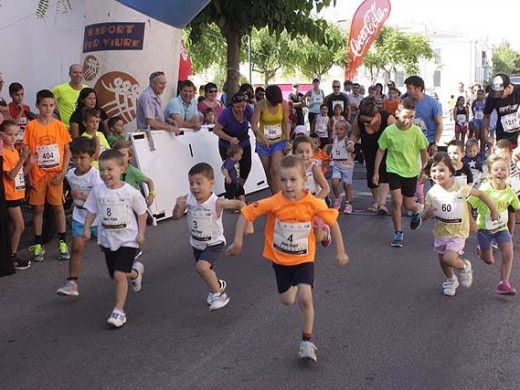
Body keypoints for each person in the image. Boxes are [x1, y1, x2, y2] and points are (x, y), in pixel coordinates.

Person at [226, 155, 349, 362]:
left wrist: (341, 251)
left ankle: (306, 342)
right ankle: (297, 286)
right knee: (287, 300)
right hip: (281, 260)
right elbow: (246, 213)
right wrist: (238, 241)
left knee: (305, 297)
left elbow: (334, 222)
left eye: (293, 180)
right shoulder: (274, 202)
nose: (288, 185)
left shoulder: (313, 203)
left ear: (303, 178)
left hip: (304, 258)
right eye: (283, 180)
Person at [83, 150, 147, 328]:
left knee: (119, 274)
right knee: (116, 274)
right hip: (107, 239)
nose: (105, 174)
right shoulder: (97, 191)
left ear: (122, 168)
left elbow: (142, 212)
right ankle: (136, 273)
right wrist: (87, 228)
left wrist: (141, 233)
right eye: (102, 170)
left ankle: (119, 311)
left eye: (109, 169)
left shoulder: (130, 192)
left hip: (128, 239)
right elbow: (92, 210)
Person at [172, 162, 249, 311]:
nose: (194, 187)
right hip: (197, 243)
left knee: (202, 267)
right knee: (206, 271)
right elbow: (176, 216)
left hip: (214, 243)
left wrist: (249, 224)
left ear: (211, 183)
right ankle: (217, 285)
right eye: (191, 183)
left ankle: (219, 294)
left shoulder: (217, 202)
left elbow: (241, 205)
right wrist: (178, 206)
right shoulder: (188, 199)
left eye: (199, 183)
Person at [422, 152, 499, 297]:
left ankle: (464, 267)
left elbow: (481, 195)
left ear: (450, 171)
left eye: (441, 170)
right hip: (441, 232)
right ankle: (451, 280)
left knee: (449, 258)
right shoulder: (431, 193)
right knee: (443, 262)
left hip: (458, 232)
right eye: (434, 170)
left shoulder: (459, 187)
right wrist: (427, 214)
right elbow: (425, 214)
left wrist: (493, 210)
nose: (437, 174)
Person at [373, 97, 429, 248]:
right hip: (394, 170)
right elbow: (380, 151)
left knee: (408, 203)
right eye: (405, 116)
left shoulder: (416, 132)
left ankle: (417, 210)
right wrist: (376, 172)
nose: (408, 120)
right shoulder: (389, 131)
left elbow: (424, 152)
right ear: (397, 113)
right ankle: (398, 233)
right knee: (397, 202)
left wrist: (425, 170)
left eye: (411, 117)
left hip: (411, 172)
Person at [23, 89, 72, 262]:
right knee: (38, 209)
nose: (48, 109)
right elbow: (27, 152)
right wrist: (28, 175)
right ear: (37, 105)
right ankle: (38, 244)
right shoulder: (31, 126)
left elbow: (67, 151)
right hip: (38, 174)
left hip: (56, 175)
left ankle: (62, 242)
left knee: (58, 208)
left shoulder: (59, 126)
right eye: (44, 105)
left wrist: (64, 171)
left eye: (51, 105)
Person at [57, 138, 103, 297]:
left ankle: (127, 266)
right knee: (76, 247)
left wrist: (82, 197)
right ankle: (72, 283)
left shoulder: (96, 176)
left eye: (82, 158)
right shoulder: (70, 174)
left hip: (97, 218)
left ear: (91, 157)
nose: (78, 161)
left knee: (109, 248)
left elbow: (101, 198)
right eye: (75, 157)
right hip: (79, 216)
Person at [467, 154, 520, 295]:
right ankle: (483, 252)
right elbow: (467, 203)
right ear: (489, 173)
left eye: (503, 169)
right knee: (488, 259)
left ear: (508, 172)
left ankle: (504, 283)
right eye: (496, 169)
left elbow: (517, 207)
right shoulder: (483, 190)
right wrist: (471, 221)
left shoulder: (509, 192)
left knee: (509, 253)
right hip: (484, 230)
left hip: (502, 229)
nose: (500, 172)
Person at [349, 97, 396, 214]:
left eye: (368, 122)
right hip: (368, 148)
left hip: (386, 149)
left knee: (384, 173)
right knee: (371, 174)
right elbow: (355, 134)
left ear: (376, 115)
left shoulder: (387, 118)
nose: (366, 124)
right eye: (364, 121)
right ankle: (376, 200)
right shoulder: (359, 120)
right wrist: (351, 143)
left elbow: (398, 135)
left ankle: (383, 203)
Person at [1, 120, 32, 270]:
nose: (13, 138)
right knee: (20, 225)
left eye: (16, 134)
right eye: (9, 135)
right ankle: (12, 255)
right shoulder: (5, 153)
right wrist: (23, 159)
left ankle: (10, 254)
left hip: (17, 192)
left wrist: (29, 162)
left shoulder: (13, 150)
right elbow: (11, 175)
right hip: (9, 195)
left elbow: (21, 173)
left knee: (14, 226)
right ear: (2, 135)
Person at [251, 84, 290, 194]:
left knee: (275, 170)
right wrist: (261, 136)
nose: (274, 104)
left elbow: (286, 123)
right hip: (263, 143)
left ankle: (280, 199)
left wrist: (287, 140)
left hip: (279, 141)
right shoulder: (260, 105)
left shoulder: (284, 105)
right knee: (269, 173)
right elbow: (254, 124)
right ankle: (275, 198)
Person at [213, 92, 254, 198]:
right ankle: (235, 196)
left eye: (243, 106)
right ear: (233, 105)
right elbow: (216, 130)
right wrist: (230, 139)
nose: (240, 109)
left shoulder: (248, 110)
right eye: (237, 107)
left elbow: (254, 124)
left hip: (243, 141)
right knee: (231, 170)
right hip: (227, 144)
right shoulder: (226, 113)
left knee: (246, 168)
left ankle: (237, 191)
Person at [404, 76, 444, 155]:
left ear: (418, 89)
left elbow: (440, 124)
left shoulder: (433, 103)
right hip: (412, 141)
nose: (407, 91)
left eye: (409, 88)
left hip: (429, 143)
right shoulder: (406, 102)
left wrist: (435, 143)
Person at [112, 140, 156, 206]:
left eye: (123, 155)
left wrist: (151, 195)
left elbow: (149, 181)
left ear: (129, 157)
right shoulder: (112, 170)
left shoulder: (133, 171)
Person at [484, 74, 520, 152]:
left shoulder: (518, 92)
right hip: (503, 136)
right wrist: (485, 134)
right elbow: (486, 115)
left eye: (501, 92)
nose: (499, 96)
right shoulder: (493, 96)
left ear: (509, 87)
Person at [326, 120, 355, 214]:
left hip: (347, 166)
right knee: (334, 183)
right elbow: (332, 147)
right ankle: (338, 198)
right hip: (337, 165)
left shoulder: (346, 140)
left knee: (347, 185)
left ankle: (348, 203)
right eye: (336, 129)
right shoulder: (334, 139)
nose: (338, 131)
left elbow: (350, 146)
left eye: (341, 129)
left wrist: (350, 147)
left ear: (346, 130)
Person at [52, 64, 88, 128]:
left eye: (80, 73)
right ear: (69, 74)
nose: (78, 75)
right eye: (75, 72)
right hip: (65, 128)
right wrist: (57, 113)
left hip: (83, 127)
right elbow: (48, 100)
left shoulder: (87, 89)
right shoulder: (59, 89)